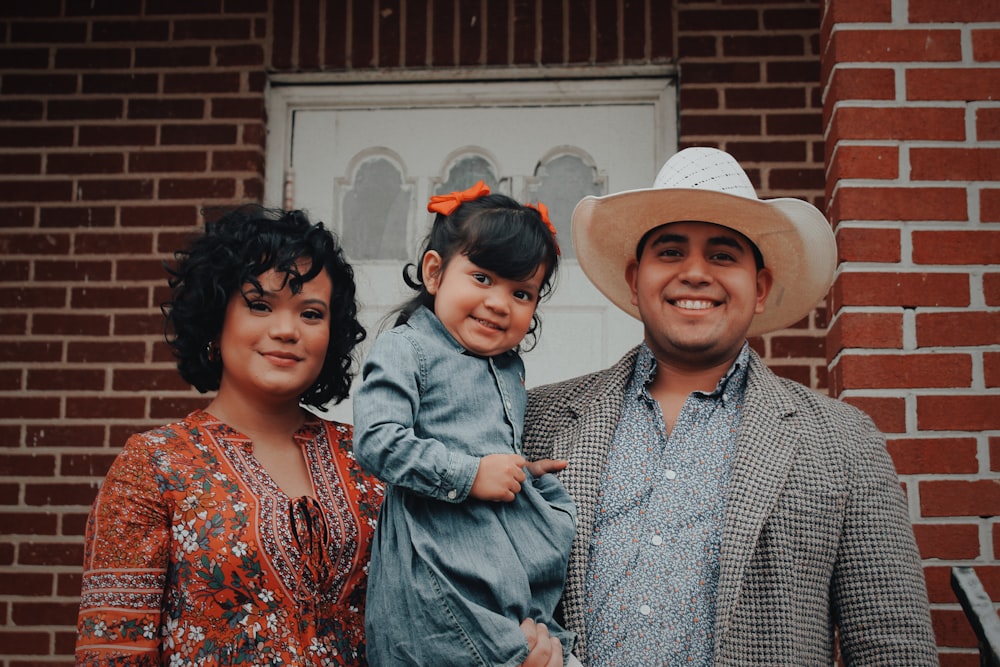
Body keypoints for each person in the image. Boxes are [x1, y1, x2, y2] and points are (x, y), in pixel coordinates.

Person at [520, 147, 939, 666]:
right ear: (634, 280)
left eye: (722, 255)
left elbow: (892, 646)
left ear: (759, 287)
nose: (695, 273)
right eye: (670, 252)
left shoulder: (844, 441)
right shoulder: (536, 420)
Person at [75, 205, 384, 665]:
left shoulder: (373, 458)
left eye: (311, 313)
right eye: (259, 305)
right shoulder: (154, 465)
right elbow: (113, 648)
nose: (286, 330)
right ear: (216, 321)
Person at [352, 181, 578, 667]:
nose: (500, 303)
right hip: (436, 553)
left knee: (551, 648)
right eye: (482, 278)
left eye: (521, 292)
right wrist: (470, 474)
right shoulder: (408, 348)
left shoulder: (507, 365)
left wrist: (521, 472)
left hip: (497, 553)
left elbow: (484, 440)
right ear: (434, 273)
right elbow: (375, 441)